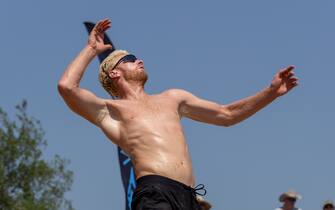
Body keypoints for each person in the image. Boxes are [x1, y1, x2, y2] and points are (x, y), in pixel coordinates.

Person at [58, 18, 299, 210]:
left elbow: (227, 115)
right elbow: (67, 88)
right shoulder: (112, 112)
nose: (139, 59)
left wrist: (271, 93)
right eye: (130, 59)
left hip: (189, 197)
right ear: (114, 73)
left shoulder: (173, 98)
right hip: (154, 193)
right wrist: (91, 49)